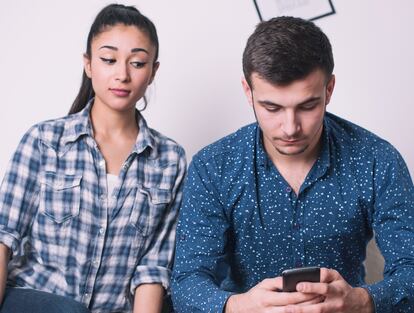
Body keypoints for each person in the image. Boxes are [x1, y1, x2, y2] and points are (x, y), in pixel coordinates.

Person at [171, 16, 414, 313]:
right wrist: (237, 306)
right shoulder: (212, 167)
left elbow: (411, 268)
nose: (290, 127)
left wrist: (362, 301)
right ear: (248, 92)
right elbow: (186, 281)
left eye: (307, 106)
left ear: (329, 89)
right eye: (271, 107)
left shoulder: (377, 159)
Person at [0, 4, 186, 313]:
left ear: (153, 71)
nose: (122, 74)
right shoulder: (45, 141)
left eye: (137, 63)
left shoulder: (170, 160)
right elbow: (3, 238)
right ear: (88, 64)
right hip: (34, 301)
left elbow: (153, 268)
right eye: (109, 60)